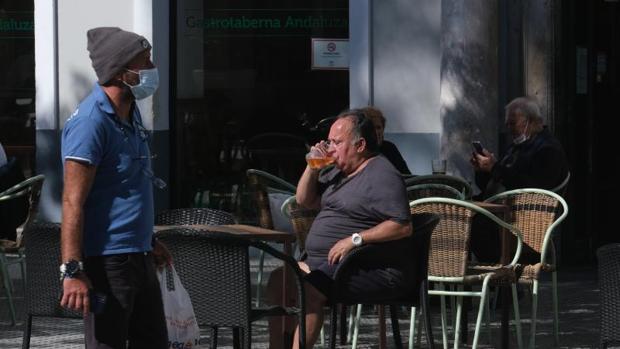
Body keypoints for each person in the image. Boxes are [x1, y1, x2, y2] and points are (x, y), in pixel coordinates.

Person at [59, 27, 171, 348]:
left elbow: (125, 186)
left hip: (138, 254)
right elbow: (72, 201)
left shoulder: (129, 113)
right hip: (107, 262)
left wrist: (148, 240)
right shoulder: (90, 122)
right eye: (144, 61)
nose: (152, 68)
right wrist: (72, 270)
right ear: (121, 71)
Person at [267, 109, 414, 348]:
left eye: (337, 142)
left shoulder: (382, 174)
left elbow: (402, 226)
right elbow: (303, 200)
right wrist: (312, 167)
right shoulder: (338, 172)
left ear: (360, 145)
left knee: (309, 288)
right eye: (329, 142)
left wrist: (355, 239)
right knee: (278, 282)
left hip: (367, 267)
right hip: (325, 263)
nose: (331, 148)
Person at [470, 96, 569, 262]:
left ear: (530, 121)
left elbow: (533, 188)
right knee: (457, 216)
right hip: (502, 212)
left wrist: (495, 168)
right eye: (507, 123)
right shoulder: (518, 146)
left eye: (513, 123)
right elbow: (492, 185)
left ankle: (500, 277)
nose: (508, 128)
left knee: (471, 224)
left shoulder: (548, 149)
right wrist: (483, 170)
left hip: (522, 220)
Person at [362, 106, 411, 174]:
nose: (376, 132)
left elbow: (406, 174)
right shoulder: (360, 152)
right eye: (372, 128)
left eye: (379, 128)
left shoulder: (390, 148)